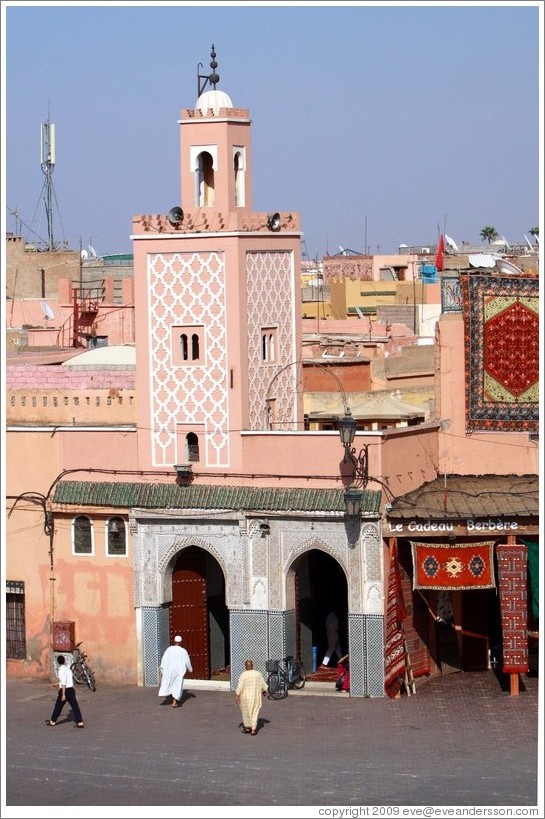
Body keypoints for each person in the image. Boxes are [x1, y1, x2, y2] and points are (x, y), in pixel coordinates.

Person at [45, 654, 84, 728]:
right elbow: (66, 681)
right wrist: (56, 685)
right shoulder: (68, 669)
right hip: (71, 689)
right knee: (75, 706)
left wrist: (63, 695)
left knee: (58, 706)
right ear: (64, 661)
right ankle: (80, 722)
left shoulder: (60, 671)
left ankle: (53, 721)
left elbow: (63, 683)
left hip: (65, 691)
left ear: (58, 662)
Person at [234, 659, 267, 735]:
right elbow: (262, 683)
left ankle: (247, 728)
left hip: (245, 697)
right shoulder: (257, 674)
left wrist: (237, 695)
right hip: (255, 697)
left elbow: (240, 686)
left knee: (246, 712)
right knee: (254, 712)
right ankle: (253, 729)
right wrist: (264, 691)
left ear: (245, 666)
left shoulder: (243, 674)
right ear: (252, 666)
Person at [158, 635, 192, 707]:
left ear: (174, 641)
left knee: (170, 683)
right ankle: (174, 701)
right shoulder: (183, 651)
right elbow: (187, 661)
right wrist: (190, 669)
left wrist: (162, 669)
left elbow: (163, 660)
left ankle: (173, 699)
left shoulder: (169, 649)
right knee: (177, 685)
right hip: (178, 671)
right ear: (181, 642)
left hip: (169, 671)